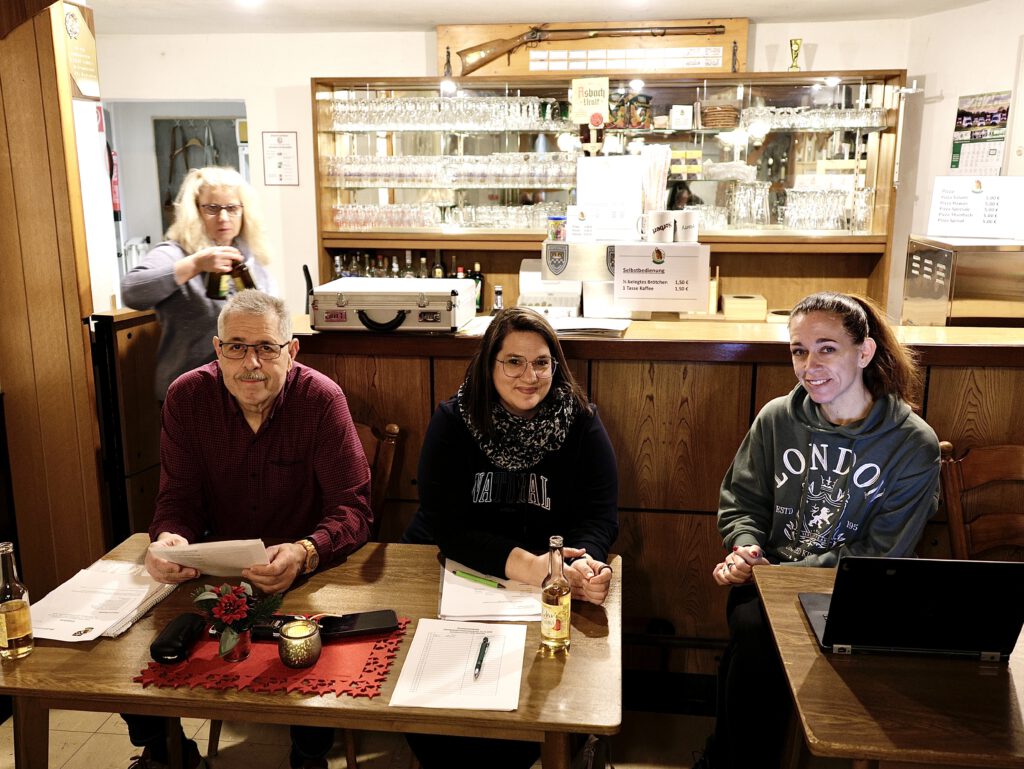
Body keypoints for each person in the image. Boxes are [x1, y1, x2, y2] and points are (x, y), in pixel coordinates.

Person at [124, 290, 372, 769]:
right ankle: (167, 754)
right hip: (213, 574)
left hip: (302, 574)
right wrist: (168, 539)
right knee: (133, 650)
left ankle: (308, 760)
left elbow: (353, 508)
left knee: (313, 647)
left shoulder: (321, 399)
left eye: (266, 348)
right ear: (217, 350)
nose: (251, 364)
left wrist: (305, 551)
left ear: (291, 350)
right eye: (236, 347)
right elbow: (177, 501)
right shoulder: (187, 397)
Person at [697, 291, 940, 769]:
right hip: (769, 580)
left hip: (855, 593)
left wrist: (777, 575)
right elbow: (742, 501)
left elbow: (882, 551)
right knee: (752, 629)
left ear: (864, 352)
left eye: (827, 348)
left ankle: (723, 760)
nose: (810, 366)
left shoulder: (913, 443)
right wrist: (745, 550)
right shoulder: (776, 418)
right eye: (799, 350)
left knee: (753, 643)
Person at [402, 306, 619, 769]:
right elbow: (446, 526)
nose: (529, 376)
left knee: (550, 696)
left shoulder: (580, 421)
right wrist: (532, 566)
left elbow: (599, 514)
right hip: (457, 569)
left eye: (541, 363)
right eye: (514, 362)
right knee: (430, 702)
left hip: (547, 583)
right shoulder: (454, 420)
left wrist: (583, 563)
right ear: (490, 364)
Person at [121, 166, 276, 401]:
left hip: (244, 392)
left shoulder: (249, 256)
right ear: (194, 211)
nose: (223, 217)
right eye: (212, 208)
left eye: (232, 208)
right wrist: (195, 264)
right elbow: (132, 291)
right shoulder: (174, 253)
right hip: (189, 393)